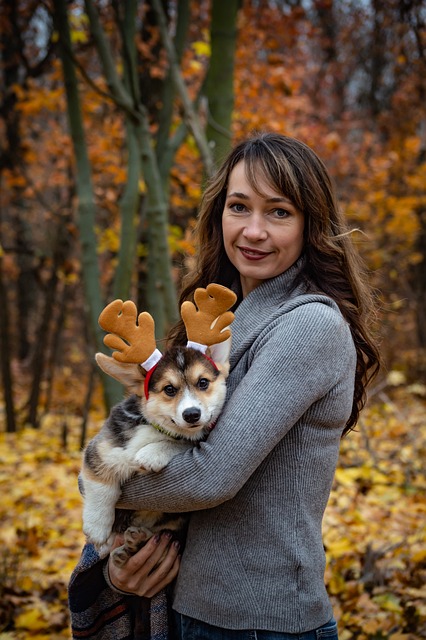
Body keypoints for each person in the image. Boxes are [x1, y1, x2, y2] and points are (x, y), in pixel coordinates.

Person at [68, 132, 380, 639]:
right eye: (239, 206)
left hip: (257, 620)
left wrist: (94, 478)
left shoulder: (307, 325)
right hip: (194, 604)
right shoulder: (225, 319)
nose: (253, 230)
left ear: (309, 225)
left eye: (279, 212)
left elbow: (210, 477)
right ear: (219, 214)